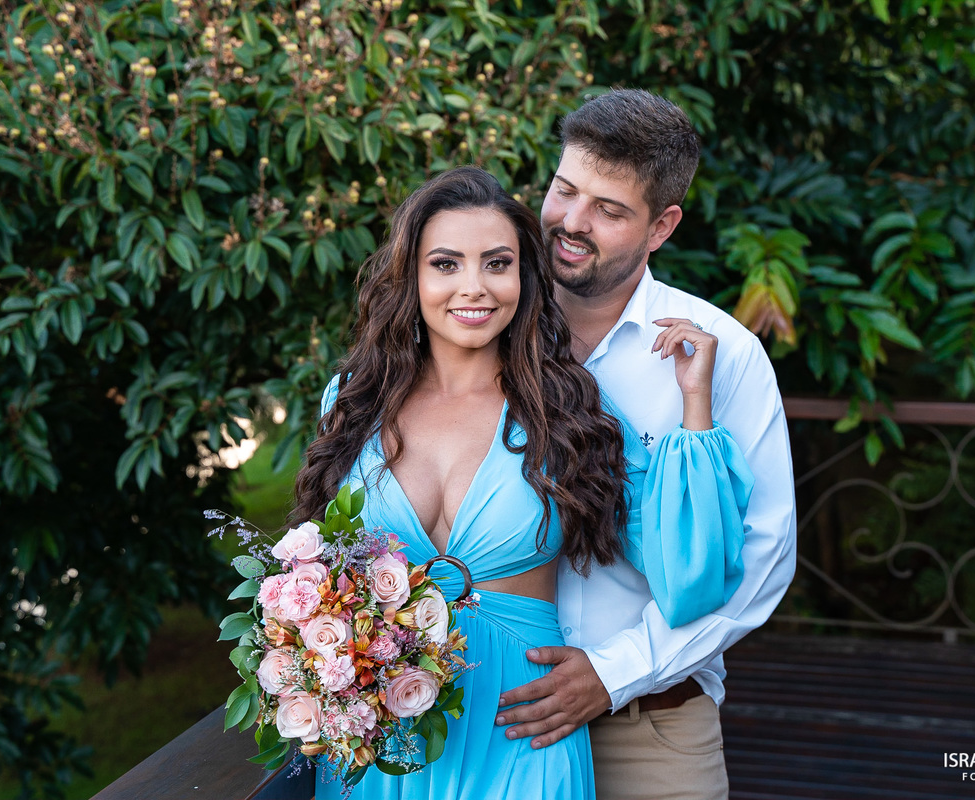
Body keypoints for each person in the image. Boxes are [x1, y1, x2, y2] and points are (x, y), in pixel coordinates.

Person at [291, 166, 754, 800]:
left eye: (497, 263)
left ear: (523, 278)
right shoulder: (351, 401)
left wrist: (694, 404)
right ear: (413, 277)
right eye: (446, 264)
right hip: (383, 743)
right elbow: (319, 569)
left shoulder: (568, 410)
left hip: (521, 731)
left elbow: (688, 577)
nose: (474, 287)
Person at [494, 90, 798, 800]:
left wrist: (614, 672)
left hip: (653, 730)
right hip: (495, 721)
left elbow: (763, 553)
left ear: (662, 225)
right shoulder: (480, 329)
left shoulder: (727, 357)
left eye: (609, 209)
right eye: (565, 190)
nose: (571, 222)